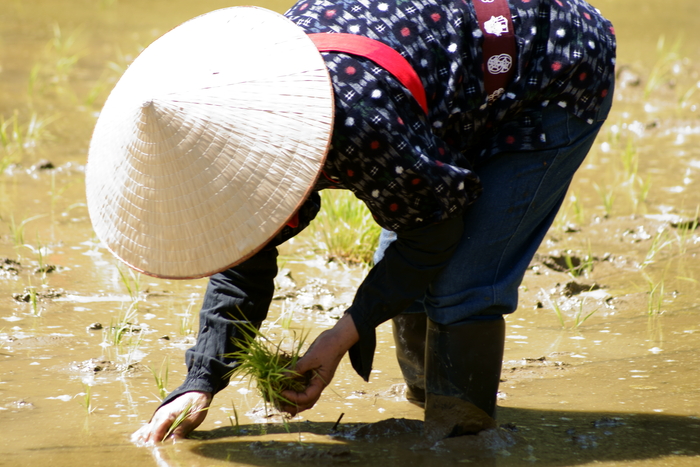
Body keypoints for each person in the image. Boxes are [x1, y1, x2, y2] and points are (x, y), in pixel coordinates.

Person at [86, 0, 615, 445]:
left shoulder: (358, 117)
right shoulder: (244, 122)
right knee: (405, 257)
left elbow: (433, 231)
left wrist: (340, 336)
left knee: (461, 283)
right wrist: (199, 380)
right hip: (447, 80)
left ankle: (460, 441)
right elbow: (243, 259)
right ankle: (427, 403)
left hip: (555, 68)